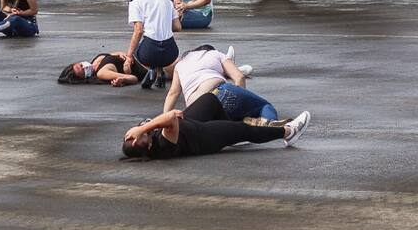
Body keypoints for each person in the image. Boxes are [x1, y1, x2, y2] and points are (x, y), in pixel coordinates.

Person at [122, 108, 311, 160]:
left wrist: (143, 128)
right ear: (148, 145)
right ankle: (287, 132)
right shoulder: (162, 147)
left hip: (189, 124)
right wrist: (143, 128)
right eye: (144, 135)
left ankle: (230, 135)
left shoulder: (148, 144)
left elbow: (169, 118)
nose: (143, 130)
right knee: (242, 129)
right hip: (202, 137)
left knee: (209, 100)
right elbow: (170, 118)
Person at [162, 45, 276, 125]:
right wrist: (241, 101)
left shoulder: (180, 64)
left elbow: (173, 93)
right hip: (220, 92)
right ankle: (270, 123)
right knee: (264, 106)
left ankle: (237, 126)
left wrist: (164, 120)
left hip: (197, 110)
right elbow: (239, 77)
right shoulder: (216, 54)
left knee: (224, 123)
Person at [124, 0, 181, 90]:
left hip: (149, 53)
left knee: (136, 48)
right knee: (158, 43)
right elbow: (177, 27)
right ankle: (160, 74)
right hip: (171, 53)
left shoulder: (136, 4)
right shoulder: (167, 1)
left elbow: (138, 31)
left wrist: (129, 56)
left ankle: (152, 69)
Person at [58, 52, 149, 86]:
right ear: (84, 77)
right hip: (144, 66)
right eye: (83, 70)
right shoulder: (101, 73)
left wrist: (124, 56)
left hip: (137, 55)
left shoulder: (95, 60)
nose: (84, 66)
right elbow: (134, 78)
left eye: (81, 65)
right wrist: (124, 78)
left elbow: (117, 53)